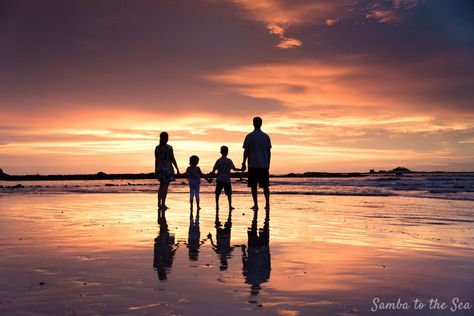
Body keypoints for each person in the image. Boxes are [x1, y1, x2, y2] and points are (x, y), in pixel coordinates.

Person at [242, 117, 272, 210]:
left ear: (253, 124)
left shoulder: (249, 136)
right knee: (265, 186)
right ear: (261, 124)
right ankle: (267, 204)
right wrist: (268, 164)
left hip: (253, 165)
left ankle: (256, 204)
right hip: (263, 165)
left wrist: (243, 163)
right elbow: (269, 152)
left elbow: (246, 151)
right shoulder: (266, 136)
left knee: (253, 186)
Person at [210, 146, 242, 210]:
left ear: (220, 152)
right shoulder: (229, 160)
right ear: (227, 152)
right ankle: (230, 206)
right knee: (229, 194)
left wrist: (210, 178)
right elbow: (234, 169)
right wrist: (241, 169)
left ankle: (217, 205)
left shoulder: (218, 161)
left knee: (217, 193)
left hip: (219, 179)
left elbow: (213, 170)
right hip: (226, 179)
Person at [155, 132, 180, 210]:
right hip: (168, 169)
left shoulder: (157, 148)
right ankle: (163, 204)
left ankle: (159, 203)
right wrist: (177, 168)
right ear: (166, 138)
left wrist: (156, 169)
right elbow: (172, 159)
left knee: (161, 186)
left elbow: (156, 160)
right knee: (165, 186)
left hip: (160, 169)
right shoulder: (169, 148)